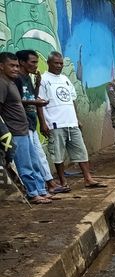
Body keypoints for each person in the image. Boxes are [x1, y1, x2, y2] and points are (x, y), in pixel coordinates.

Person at [38, 51, 105, 188]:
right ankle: (63, 182)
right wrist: (43, 123)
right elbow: (39, 103)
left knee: (81, 151)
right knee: (58, 155)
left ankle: (88, 178)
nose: (59, 66)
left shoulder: (65, 79)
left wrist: (77, 119)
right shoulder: (43, 79)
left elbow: (72, 100)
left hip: (71, 123)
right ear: (49, 63)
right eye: (56, 63)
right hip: (55, 123)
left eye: (61, 63)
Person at [0, 52, 53, 204]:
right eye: (12, 65)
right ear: (1, 66)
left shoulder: (11, 82)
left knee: (34, 162)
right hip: (15, 132)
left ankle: (41, 190)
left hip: (25, 129)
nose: (16, 69)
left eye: (17, 66)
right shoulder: (2, 83)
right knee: (25, 165)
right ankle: (33, 193)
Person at [14, 50, 67, 194]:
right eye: (33, 62)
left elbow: (32, 96)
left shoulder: (28, 78)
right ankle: (43, 187)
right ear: (22, 62)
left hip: (31, 122)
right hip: (22, 124)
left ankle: (45, 186)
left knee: (38, 156)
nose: (36, 65)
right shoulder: (17, 79)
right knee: (32, 158)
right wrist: (36, 102)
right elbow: (16, 101)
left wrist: (37, 86)